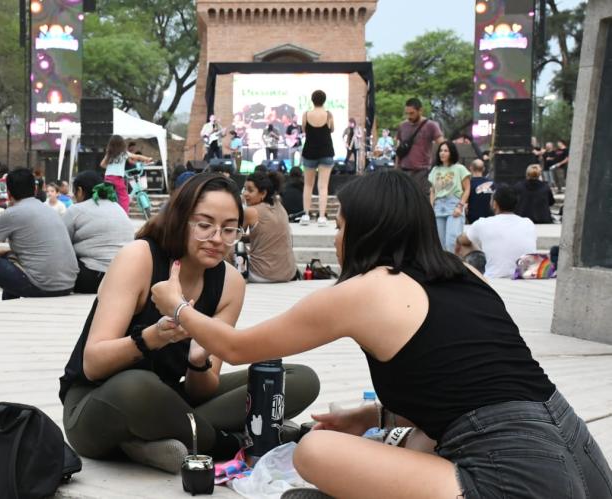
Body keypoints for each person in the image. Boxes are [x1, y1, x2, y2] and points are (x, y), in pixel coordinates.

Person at [149, 170, 612, 499]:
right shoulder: (467, 277)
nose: (336, 238)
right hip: (576, 452)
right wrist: (375, 415)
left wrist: (177, 306)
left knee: (315, 451)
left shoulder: (367, 290)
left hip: (512, 478)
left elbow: (235, 347)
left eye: (339, 225)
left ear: (365, 230)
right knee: (406, 443)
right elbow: (469, 383)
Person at [59, 173, 319, 473]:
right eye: (205, 225)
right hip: (97, 404)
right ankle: (230, 443)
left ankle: (151, 443)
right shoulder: (140, 257)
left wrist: (198, 363)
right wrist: (154, 337)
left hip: (169, 399)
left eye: (229, 229)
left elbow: (201, 392)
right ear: (182, 220)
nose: (217, 239)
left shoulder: (229, 283)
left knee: (295, 378)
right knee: (137, 386)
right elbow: (93, 364)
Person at [0, 168, 78, 304]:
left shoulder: (12, 213)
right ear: (35, 190)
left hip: (42, 286)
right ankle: (9, 306)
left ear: (8, 193)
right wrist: (6, 252)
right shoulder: (49, 210)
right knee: (11, 259)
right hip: (67, 285)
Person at [63, 170, 134, 294]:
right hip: (124, 278)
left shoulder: (76, 209)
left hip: (92, 278)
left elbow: (61, 242)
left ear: (80, 190)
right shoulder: (117, 207)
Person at [461, 185, 536, 278]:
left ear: (495, 204)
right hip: (525, 275)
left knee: (464, 244)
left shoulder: (483, 223)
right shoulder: (528, 223)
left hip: (494, 276)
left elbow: (462, 240)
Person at [241, 171, 296, 282]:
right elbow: (266, 234)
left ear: (263, 193)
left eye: (250, 190)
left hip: (262, 275)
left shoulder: (251, 212)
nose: (245, 194)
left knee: (227, 246)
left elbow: (233, 235)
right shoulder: (278, 204)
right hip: (289, 273)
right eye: (244, 189)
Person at [299, 90, 336, 226]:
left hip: (309, 151)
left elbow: (304, 130)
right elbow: (332, 129)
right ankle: (321, 217)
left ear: (312, 100)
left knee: (308, 185)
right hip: (326, 151)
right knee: (323, 186)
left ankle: (306, 215)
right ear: (324, 100)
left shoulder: (306, 115)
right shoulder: (329, 115)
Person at [396, 98, 445, 196]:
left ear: (420, 111)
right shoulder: (403, 126)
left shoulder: (431, 126)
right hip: (404, 171)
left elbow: (443, 145)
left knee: (421, 201)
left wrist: (440, 166)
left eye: (412, 113)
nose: (409, 116)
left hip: (422, 172)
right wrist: (396, 168)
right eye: (407, 113)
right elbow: (399, 149)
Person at [428, 142, 470, 252]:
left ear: (452, 152)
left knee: (451, 242)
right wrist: (431, 207)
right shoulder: (435, 169)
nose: (442, 153)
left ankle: (454, 267)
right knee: (440, 244)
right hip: (438, 206)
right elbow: (432, 190)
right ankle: (443, 268)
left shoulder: (460, 168)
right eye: (441, 150)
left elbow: (467, 189)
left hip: (454, 204)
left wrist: (460, 206)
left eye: (446, 151)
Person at [101, 135, 154, 213]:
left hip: (108, 177)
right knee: (124, 198)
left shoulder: (109, 153)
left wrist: (110, 169)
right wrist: (147, 159)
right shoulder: (124, 153)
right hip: (117, 178)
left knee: (110, 197)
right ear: (122, 144)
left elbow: (102, 164)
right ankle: (124, 215)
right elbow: (137, 156)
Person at [465, 159, 494, 224]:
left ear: (470, 168)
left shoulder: (468, 184)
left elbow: (465, 204)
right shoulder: (491, 184)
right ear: (483, 169)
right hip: (488, 219)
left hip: (472, 219)